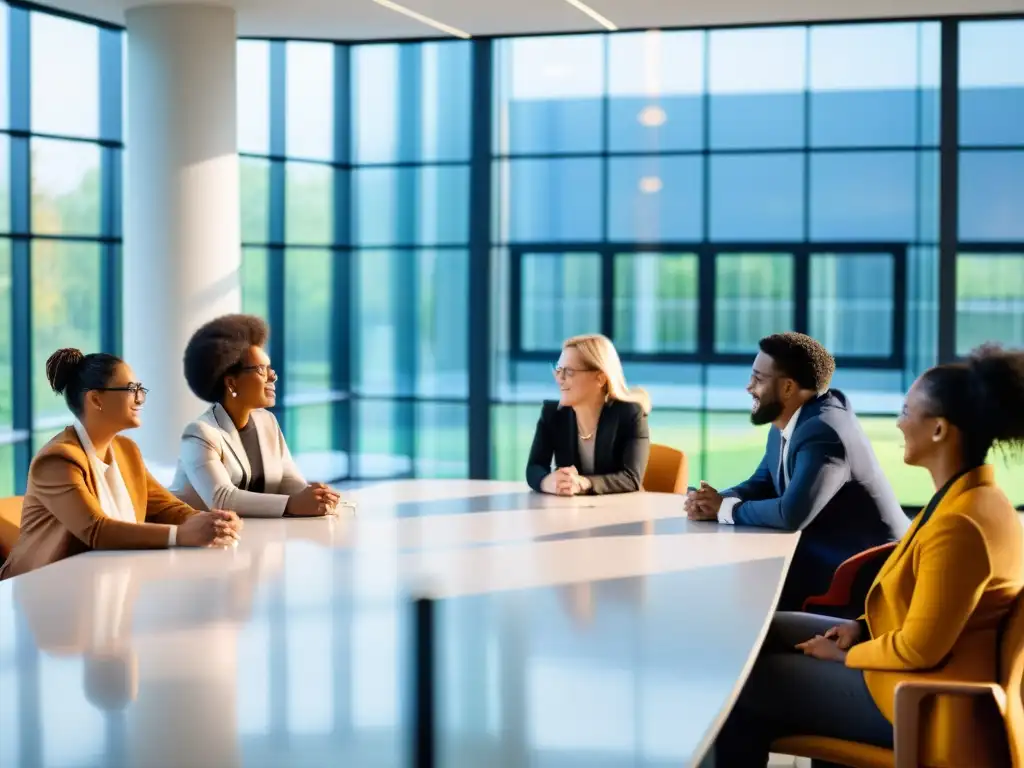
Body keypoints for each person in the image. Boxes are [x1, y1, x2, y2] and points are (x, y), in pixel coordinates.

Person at [712, 343, 1024, 767]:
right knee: (756, 634)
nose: (897, 424)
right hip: (904, 667)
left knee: (736, 688)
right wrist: (858, 628)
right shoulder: (968, 498)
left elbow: (919, 650)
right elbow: (935, 613)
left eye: (906, 411)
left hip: (920, 700)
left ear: (938, 430)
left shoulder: (962, 522)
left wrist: (847, 655)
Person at [685, 332, 908, 611]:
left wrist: (724, 509)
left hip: (862, 572)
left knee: (733, 586)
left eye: (759, 379)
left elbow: (792, 515)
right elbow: (763, 481)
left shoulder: (824, 431)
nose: (748, 387)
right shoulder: (791, 418)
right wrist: (712, 501)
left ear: (788, 388)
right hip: (825, 549)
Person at [0, 349, 241, 581]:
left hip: (104, 579)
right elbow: (96, 530)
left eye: (140, 389)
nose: (140, 397)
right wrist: (180, 535)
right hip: (40, 587)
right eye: (131, 389)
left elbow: (166, 508)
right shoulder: (57, 460)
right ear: (96, 399)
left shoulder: (126, 451)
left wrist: (213, 522)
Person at [169, 314, 340, 518]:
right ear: (231, 383)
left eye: (270, 368)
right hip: (195, 542)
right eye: (261, 369)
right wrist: (292, 504)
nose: (272, 376)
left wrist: (315, 496)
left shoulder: (267, 422)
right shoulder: (200, 433)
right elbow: (221, 498)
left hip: (250, 538)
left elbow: (288, 482)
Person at [526, 333, 651, 496]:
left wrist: (584, 482)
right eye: (558, 370)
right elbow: (534, 467)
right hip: (569, 511)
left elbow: (631, 478)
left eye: (569, 372)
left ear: (600, 378)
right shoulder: (553, 414)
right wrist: (546, 482)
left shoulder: (630, 414)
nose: (560, 379)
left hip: (620, 511)